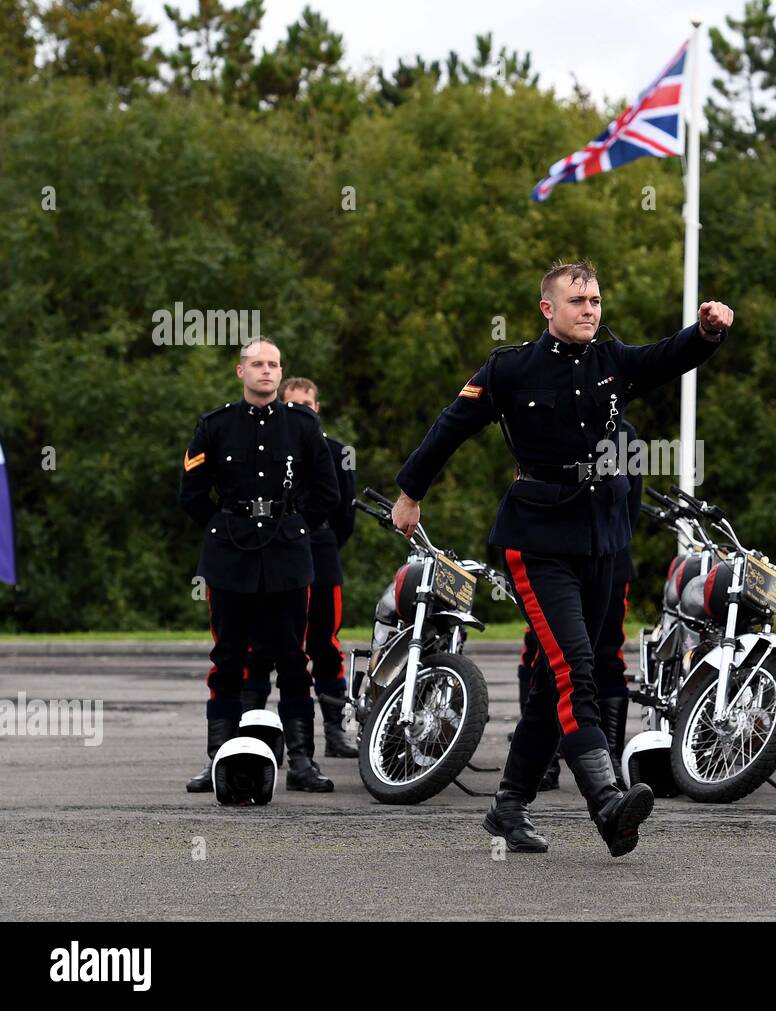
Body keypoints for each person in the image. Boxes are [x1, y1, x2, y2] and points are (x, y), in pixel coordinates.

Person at [391, 260, 731, 857]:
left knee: (564, 680)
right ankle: (605, 801)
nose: (591, 310)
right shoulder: (511, 368)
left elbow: (665, 358)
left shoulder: (610, 361)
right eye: (578, 301)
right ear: (548, 308)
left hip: (600, 536)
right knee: (574, 667)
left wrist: (704, 333)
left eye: (596, 299)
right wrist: (410, 492)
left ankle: (508, 808)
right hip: (539, 536)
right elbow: (450, 427)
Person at [179, 338, 339, 793]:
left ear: (280, 371)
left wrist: (295, 526)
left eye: (273, 365)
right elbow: (190, 493)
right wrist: (223, 527)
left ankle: (302, 762)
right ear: (240, 371)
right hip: (230, 556)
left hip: (287, 556)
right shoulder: (216, 425)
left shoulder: (303, 426)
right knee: (227, 658)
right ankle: (219, 758)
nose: (266, 371)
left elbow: (327, 493)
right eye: (257, 364)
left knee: (293, 659)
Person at [520, 417, 644, 791]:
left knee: (607, 656)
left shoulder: (625, 435)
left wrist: (610, 545)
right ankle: (544, 761)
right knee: (541, 655)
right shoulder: (547, 426)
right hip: (553, 560)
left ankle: (607, 759)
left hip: (608, 559)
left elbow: (630, 503)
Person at [242, 377, 358, 761]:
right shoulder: (267, 452)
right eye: (293, 406)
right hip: (272, 554)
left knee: (325, 644)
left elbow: (343, 514)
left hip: (321, 554)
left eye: (307, 405)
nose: (301, 412)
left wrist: (310, 537)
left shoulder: (337, 452)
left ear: (317, 408)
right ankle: (252, 732)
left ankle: (334, 730)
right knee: (261, 646)